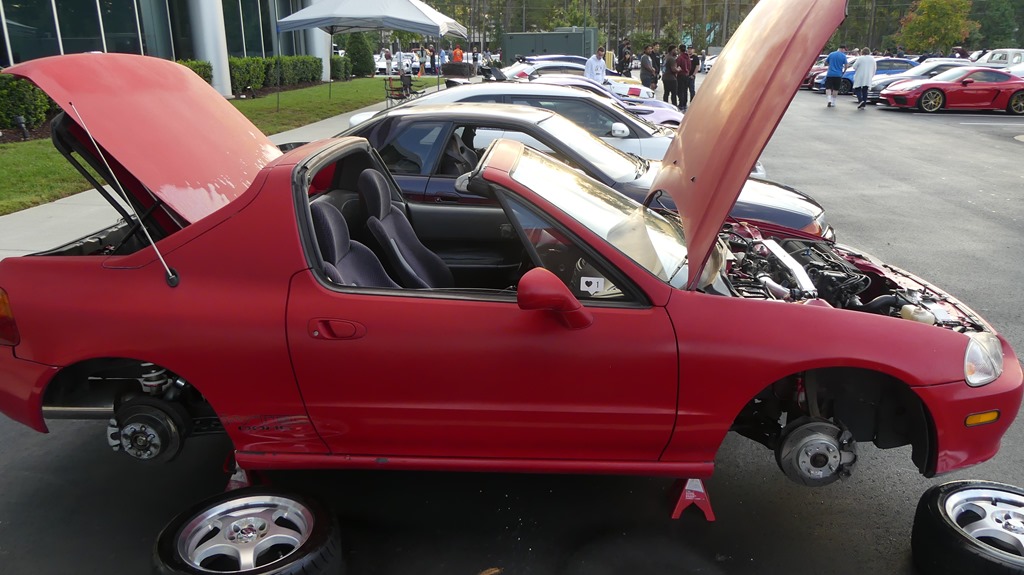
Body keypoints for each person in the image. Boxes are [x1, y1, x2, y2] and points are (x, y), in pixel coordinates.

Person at [676, 44, 692, 110]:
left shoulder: (680, 57)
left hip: (681, 75)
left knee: (680, 90)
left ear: (679, 49)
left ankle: (681, 104)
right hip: (686, 75)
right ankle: (685, 103)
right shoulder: (688, 57)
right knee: (685, 90)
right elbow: (690, 66)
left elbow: (677, 66)